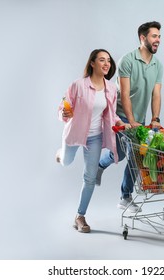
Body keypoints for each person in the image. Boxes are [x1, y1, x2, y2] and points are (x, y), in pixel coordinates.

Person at [56, 49, 128, 233]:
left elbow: (111, 115)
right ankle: (60, 154)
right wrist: (64, 112)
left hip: (95, 137)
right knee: (66, 162)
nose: (106, 64)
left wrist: (122, 124)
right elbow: (63, 108)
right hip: (74, 133)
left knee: (90, 177)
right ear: (92, 63)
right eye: (102, 60)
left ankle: (80, 216)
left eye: (109, 61)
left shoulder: (111, 88)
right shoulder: (78, 85)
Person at [96, 21, 163, 212]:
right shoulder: (127, 60)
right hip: (121, 115)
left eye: (159, 36)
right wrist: (131, 121)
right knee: (133, 154)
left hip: (139, 118)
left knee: (123, 153)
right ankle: (125, 197)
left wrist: (155, 118)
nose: (157, 40)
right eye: (154, 36)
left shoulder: (158, 66)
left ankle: (101, 166)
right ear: (143, 38)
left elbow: (156, 94)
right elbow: (124, 93)